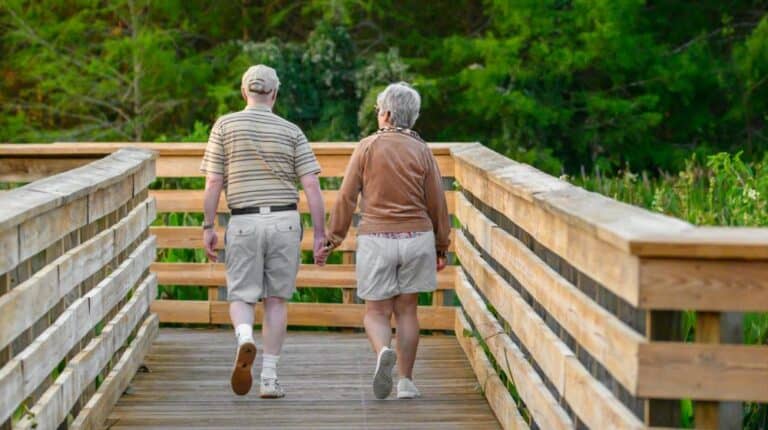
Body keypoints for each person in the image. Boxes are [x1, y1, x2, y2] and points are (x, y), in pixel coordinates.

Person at [200, 64, 327, 398]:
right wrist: (320, 234)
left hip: (243, 220)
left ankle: (244, 336)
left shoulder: (224, 126)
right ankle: (269, 378)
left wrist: (208, 225)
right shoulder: (292, 131)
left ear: (245, 92)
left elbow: (214, 181)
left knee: (242, 295)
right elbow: (312, 185)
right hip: (285, 221)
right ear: (274, 93)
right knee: (275, 300)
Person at [318, 82, 451, 399]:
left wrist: (332, 239)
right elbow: (437, 202)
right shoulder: (422, 150)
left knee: (376, 312)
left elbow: (347, 197)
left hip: (377, 237)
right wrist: (441, 245)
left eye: (379, 110)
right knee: (407, 311)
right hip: (416, 237)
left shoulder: (366, 147)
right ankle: (405, 381)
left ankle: (382, 353)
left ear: (387, 114)